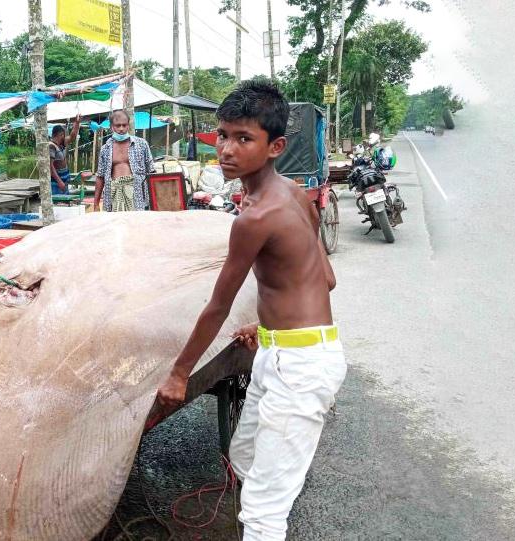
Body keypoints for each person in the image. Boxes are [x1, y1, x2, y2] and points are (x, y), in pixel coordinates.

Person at [153, 80, 343, 540]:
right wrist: (272, 324)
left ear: (275, 146)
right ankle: (275, 488)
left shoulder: (254, 218)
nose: (226, 150)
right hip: (283, 352)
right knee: (244, 456)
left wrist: (179, 373)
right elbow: (326, 278)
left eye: (244, 139)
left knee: (262, 511)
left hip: (300, 368)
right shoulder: (295, 194)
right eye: (223, 135)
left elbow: (217, 307)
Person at [93, 110, 155, 212]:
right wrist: (96, 204)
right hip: (113, 195)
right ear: (112, 127)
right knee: (116, 226)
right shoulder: (106, 149)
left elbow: (152, 172)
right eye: (118, 125)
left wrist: (154, 200)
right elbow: (100, 177)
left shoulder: (141, 144)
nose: (121, 129)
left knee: (136, 226)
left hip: (137, 197)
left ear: (128, 126)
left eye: (124, 125)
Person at [49, 115, 80, 195]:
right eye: (64, 135)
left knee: (64, 202)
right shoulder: (51, 146)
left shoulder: (61, 144)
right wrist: (59, 181)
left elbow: (72, 137)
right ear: (61, 135)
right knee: (58, 203)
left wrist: (77, 123)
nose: (65, 137)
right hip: (56, 181)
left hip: (64, 179)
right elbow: (50, 166)